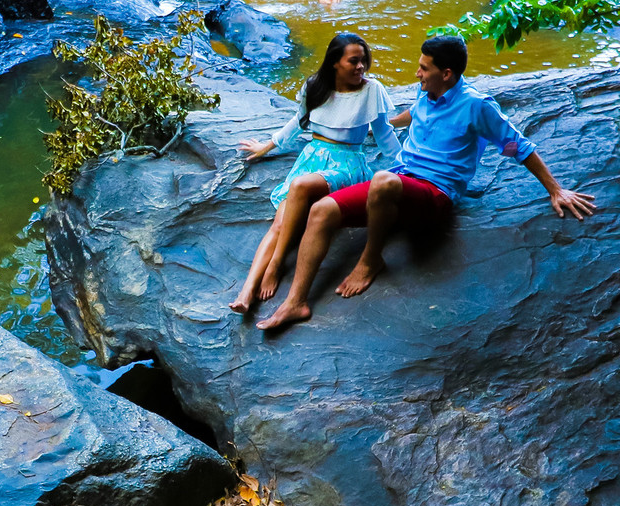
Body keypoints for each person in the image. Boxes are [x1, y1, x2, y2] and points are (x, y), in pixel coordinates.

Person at [256, 35, 597, 331]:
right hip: (400, 185)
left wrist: (555, 189)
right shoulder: (426, 95)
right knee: (322, 210)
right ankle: (295, 303)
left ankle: (371, 259)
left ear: (446, 74)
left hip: (434, 194)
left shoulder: (477, 106)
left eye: (423, 68)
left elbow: (516, 145)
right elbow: (410, 117)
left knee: (383, 181)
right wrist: (373, 120)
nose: (416, 73)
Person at [230, 33, 402, 315]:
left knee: (299, 186)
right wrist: (266, 146)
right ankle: (246, 292)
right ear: (335, 63)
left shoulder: (372, 91)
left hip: (347, 164)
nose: (361, 67)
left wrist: (405, 166)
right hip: (312, 159)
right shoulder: (316, 85)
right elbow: (297, 123)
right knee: (278, 224)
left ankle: (275, 265)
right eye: (354, 61)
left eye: (364, 61)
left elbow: (385, 136)